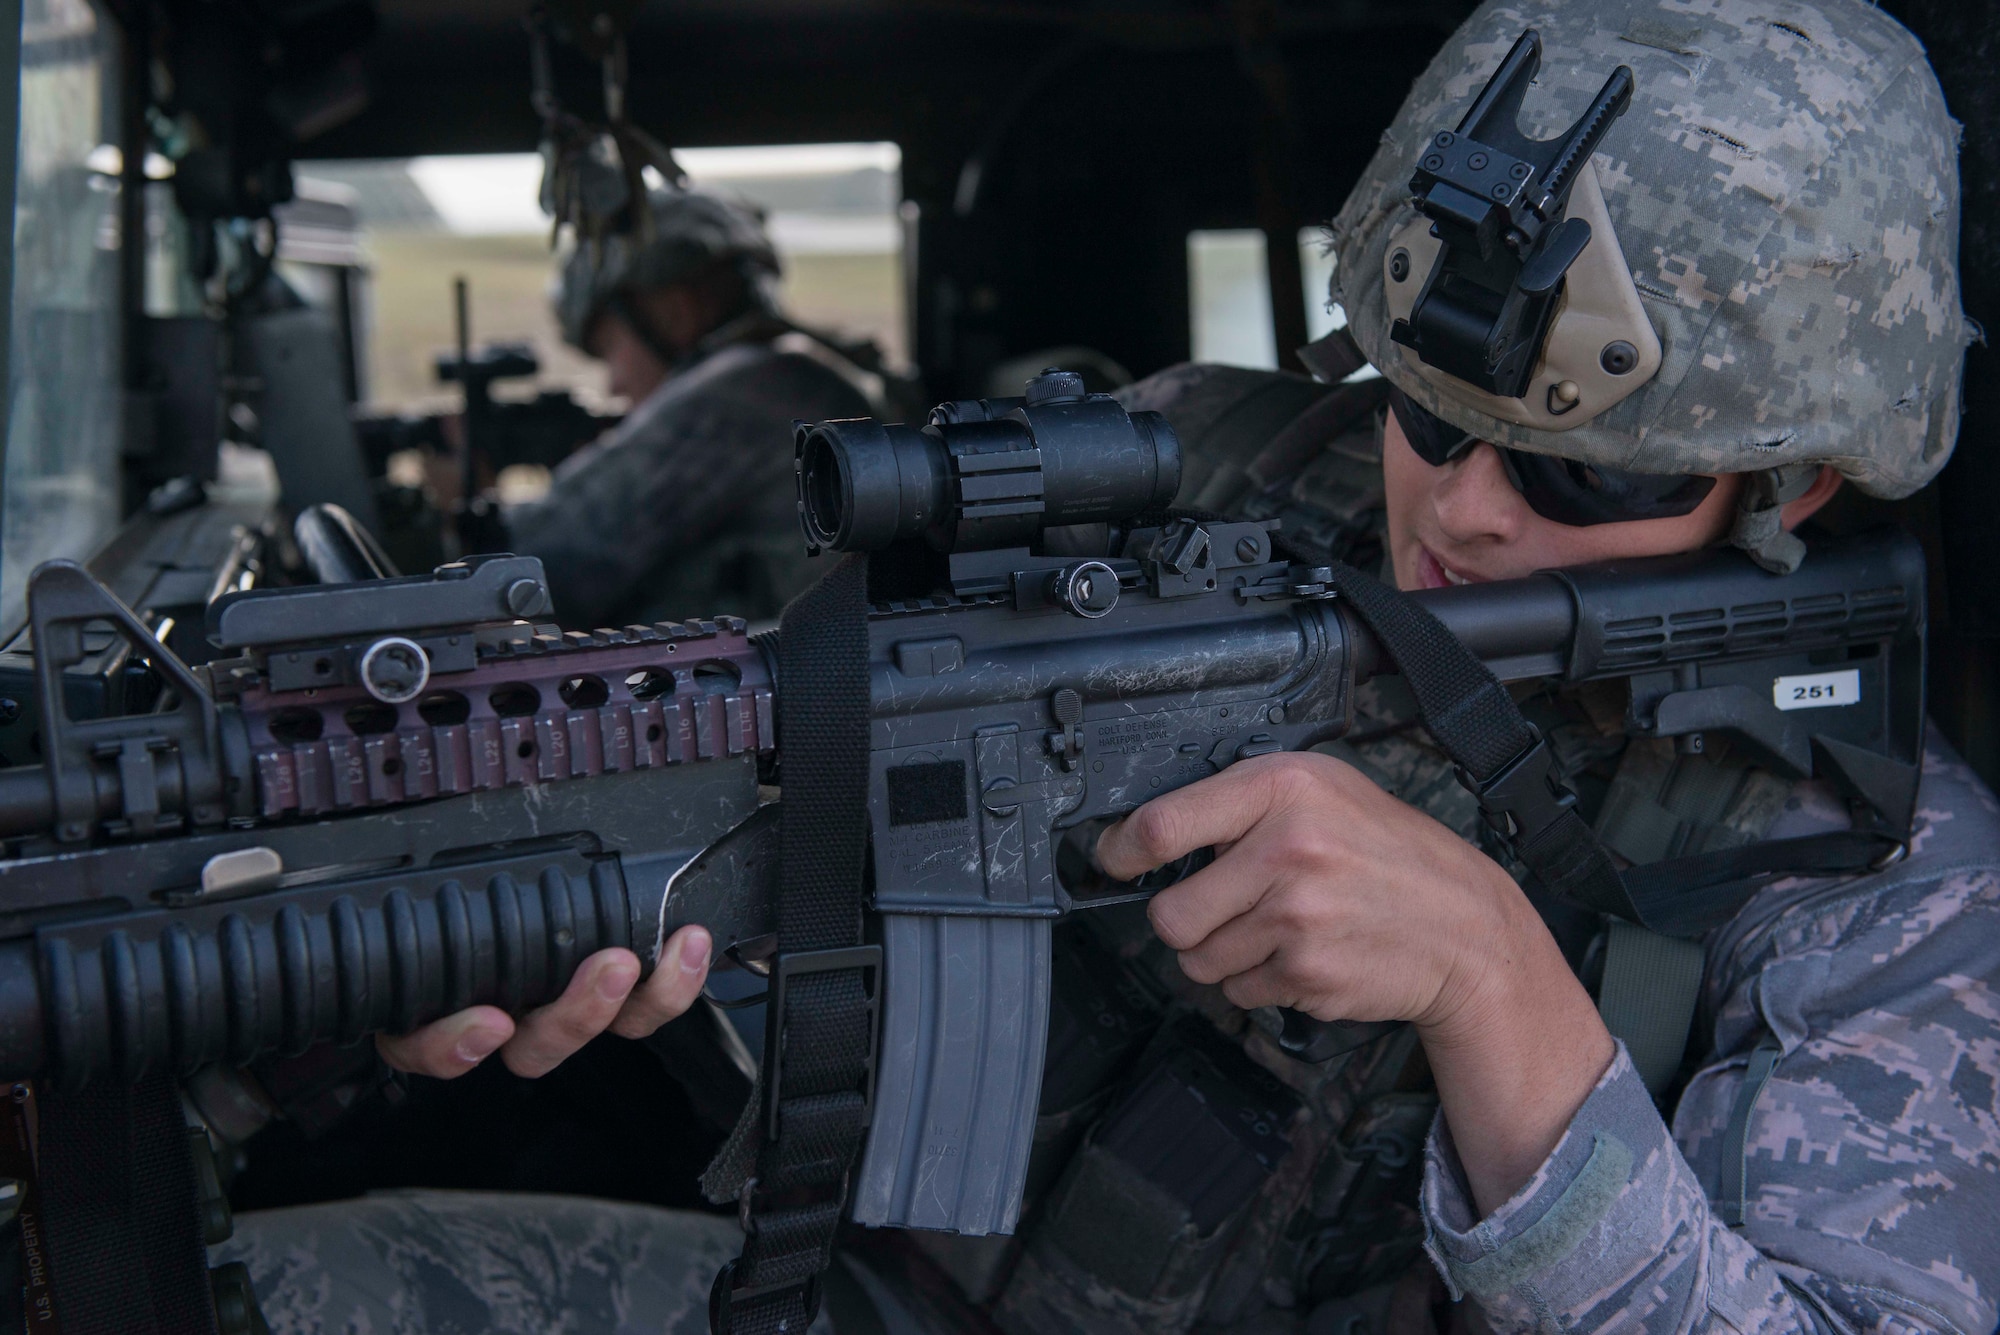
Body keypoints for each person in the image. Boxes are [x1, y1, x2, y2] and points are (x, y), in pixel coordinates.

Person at [222, 2, 1995, 1332]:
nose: (1460, 509)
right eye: (1427, 413)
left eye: (1583, 469)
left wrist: (1493, 985)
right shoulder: (1186, 487)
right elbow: (788, 775)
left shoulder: (1867, 854)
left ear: (1798, 480)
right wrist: (534, 895)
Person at [498, 187, 876, 629]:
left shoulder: (744, 392)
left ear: (678, 311)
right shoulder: (818, 372)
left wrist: (467, 510)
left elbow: (540, 567)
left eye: (608, 349)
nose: (613, 384)